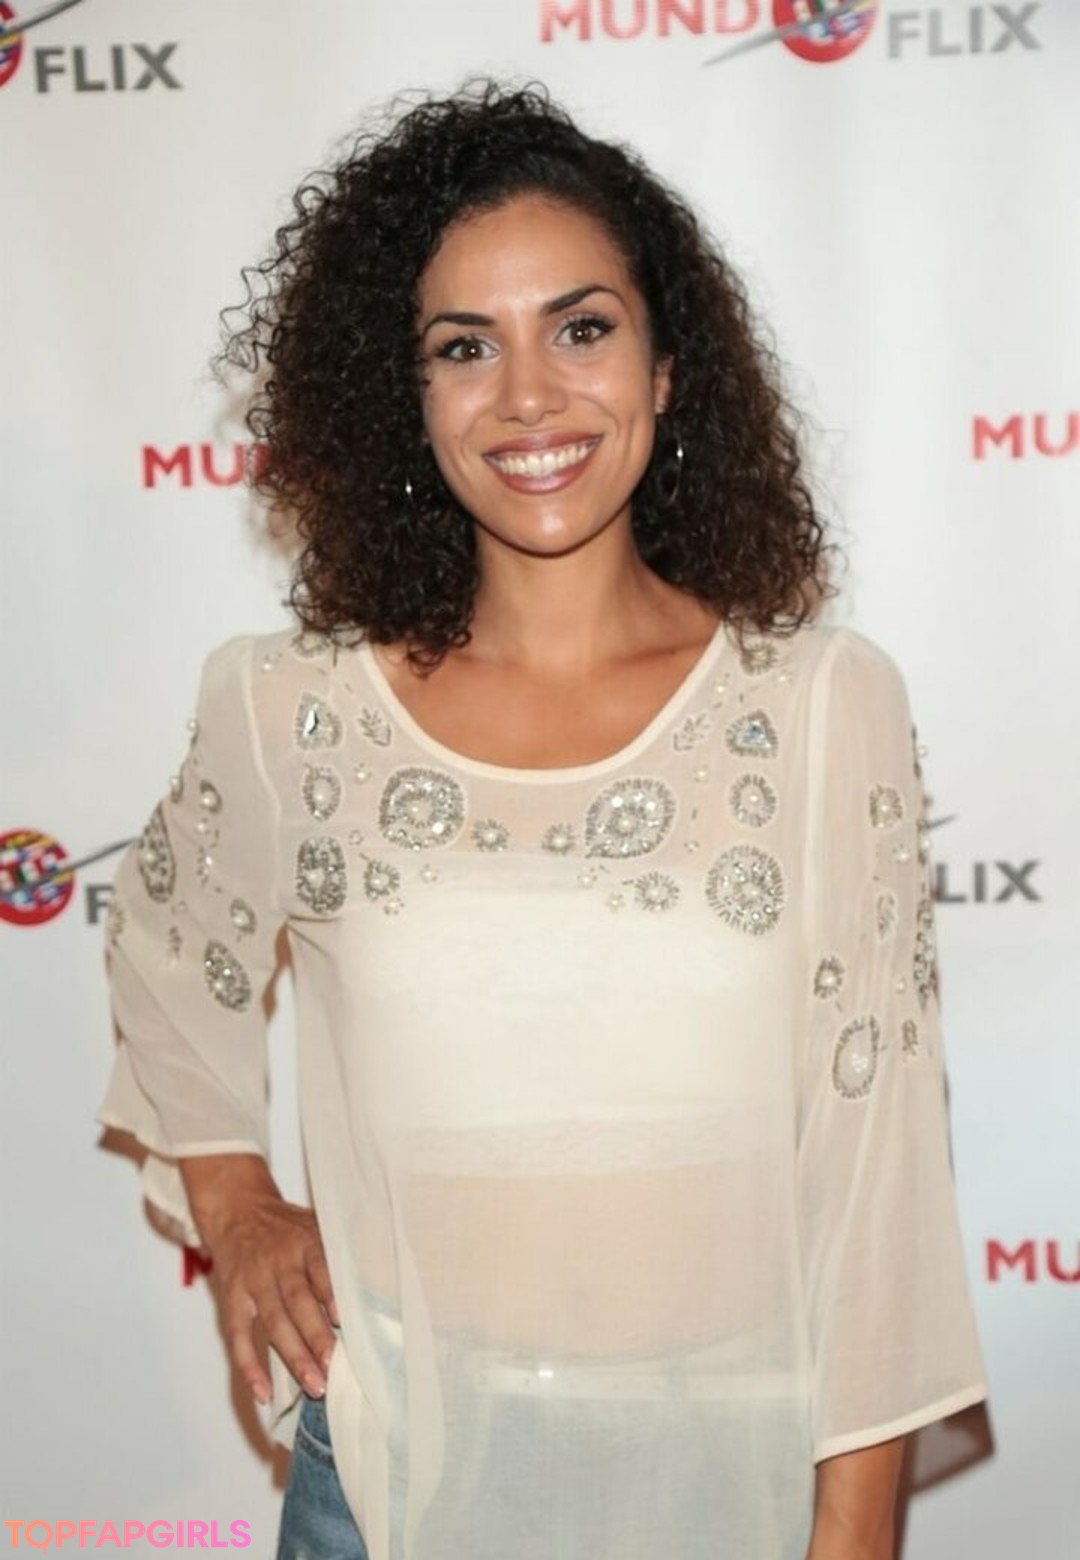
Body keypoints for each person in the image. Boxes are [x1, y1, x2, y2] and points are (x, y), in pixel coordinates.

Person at [99, 79, 987, 1560]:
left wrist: (851, 1541)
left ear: (666, 369)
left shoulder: (824, 709)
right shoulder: (288, 707)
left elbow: (877, 1173)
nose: (527, 397)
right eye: (465, 346)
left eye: (580, 329)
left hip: (738, 1473)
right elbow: (163, 945)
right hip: (386, 1476)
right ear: (407, 397)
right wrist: (236, 1202)